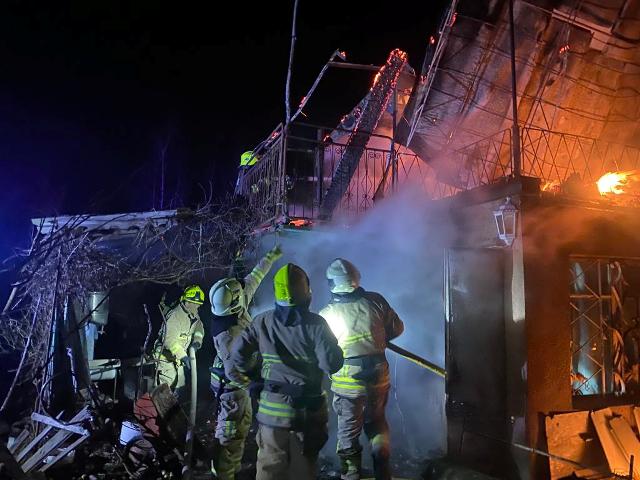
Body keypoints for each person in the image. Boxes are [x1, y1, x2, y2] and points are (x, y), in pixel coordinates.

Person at [229, 263, 344, 480]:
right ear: (307, 292)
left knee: (269, 469)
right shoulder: (317, 325)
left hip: (271, 414)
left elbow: (237, 354)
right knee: (302, 470)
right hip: (306, 416)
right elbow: (331, 364)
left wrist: (253, 378)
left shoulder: (262, 321)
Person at [319, 258, 404, 480]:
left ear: (331, 284)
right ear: (356, 278)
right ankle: (382, 467)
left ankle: (351, 474)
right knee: (377, 422)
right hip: (378, 376)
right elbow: (397, 329)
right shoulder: (375, 301)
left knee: (348, 432)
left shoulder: (327, 314)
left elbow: (324, 354)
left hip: (348, 384)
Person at [208, 245, 282, 480]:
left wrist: (271, 256)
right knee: (230, 433)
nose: (244, 289)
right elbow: (233, 372)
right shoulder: (228, 335)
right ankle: (224, 473)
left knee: (240, 427)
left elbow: (254, 279)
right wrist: (253, 386)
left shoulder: (231, 308)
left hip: (237, 384)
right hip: (232, 388)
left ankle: (232, 469)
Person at [154, 285, 205, 398]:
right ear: (187, 302)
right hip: (165, 357)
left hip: (178, 359)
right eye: (196, 304)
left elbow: (199, 328)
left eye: (199, 305)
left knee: (180, 386)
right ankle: (160, 407)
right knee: (167, 385)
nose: (198, 307)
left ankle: (173, 406)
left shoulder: (193, 314)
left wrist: (197, 342)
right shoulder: (176, 315)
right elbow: (168, 340)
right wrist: (183, 356)